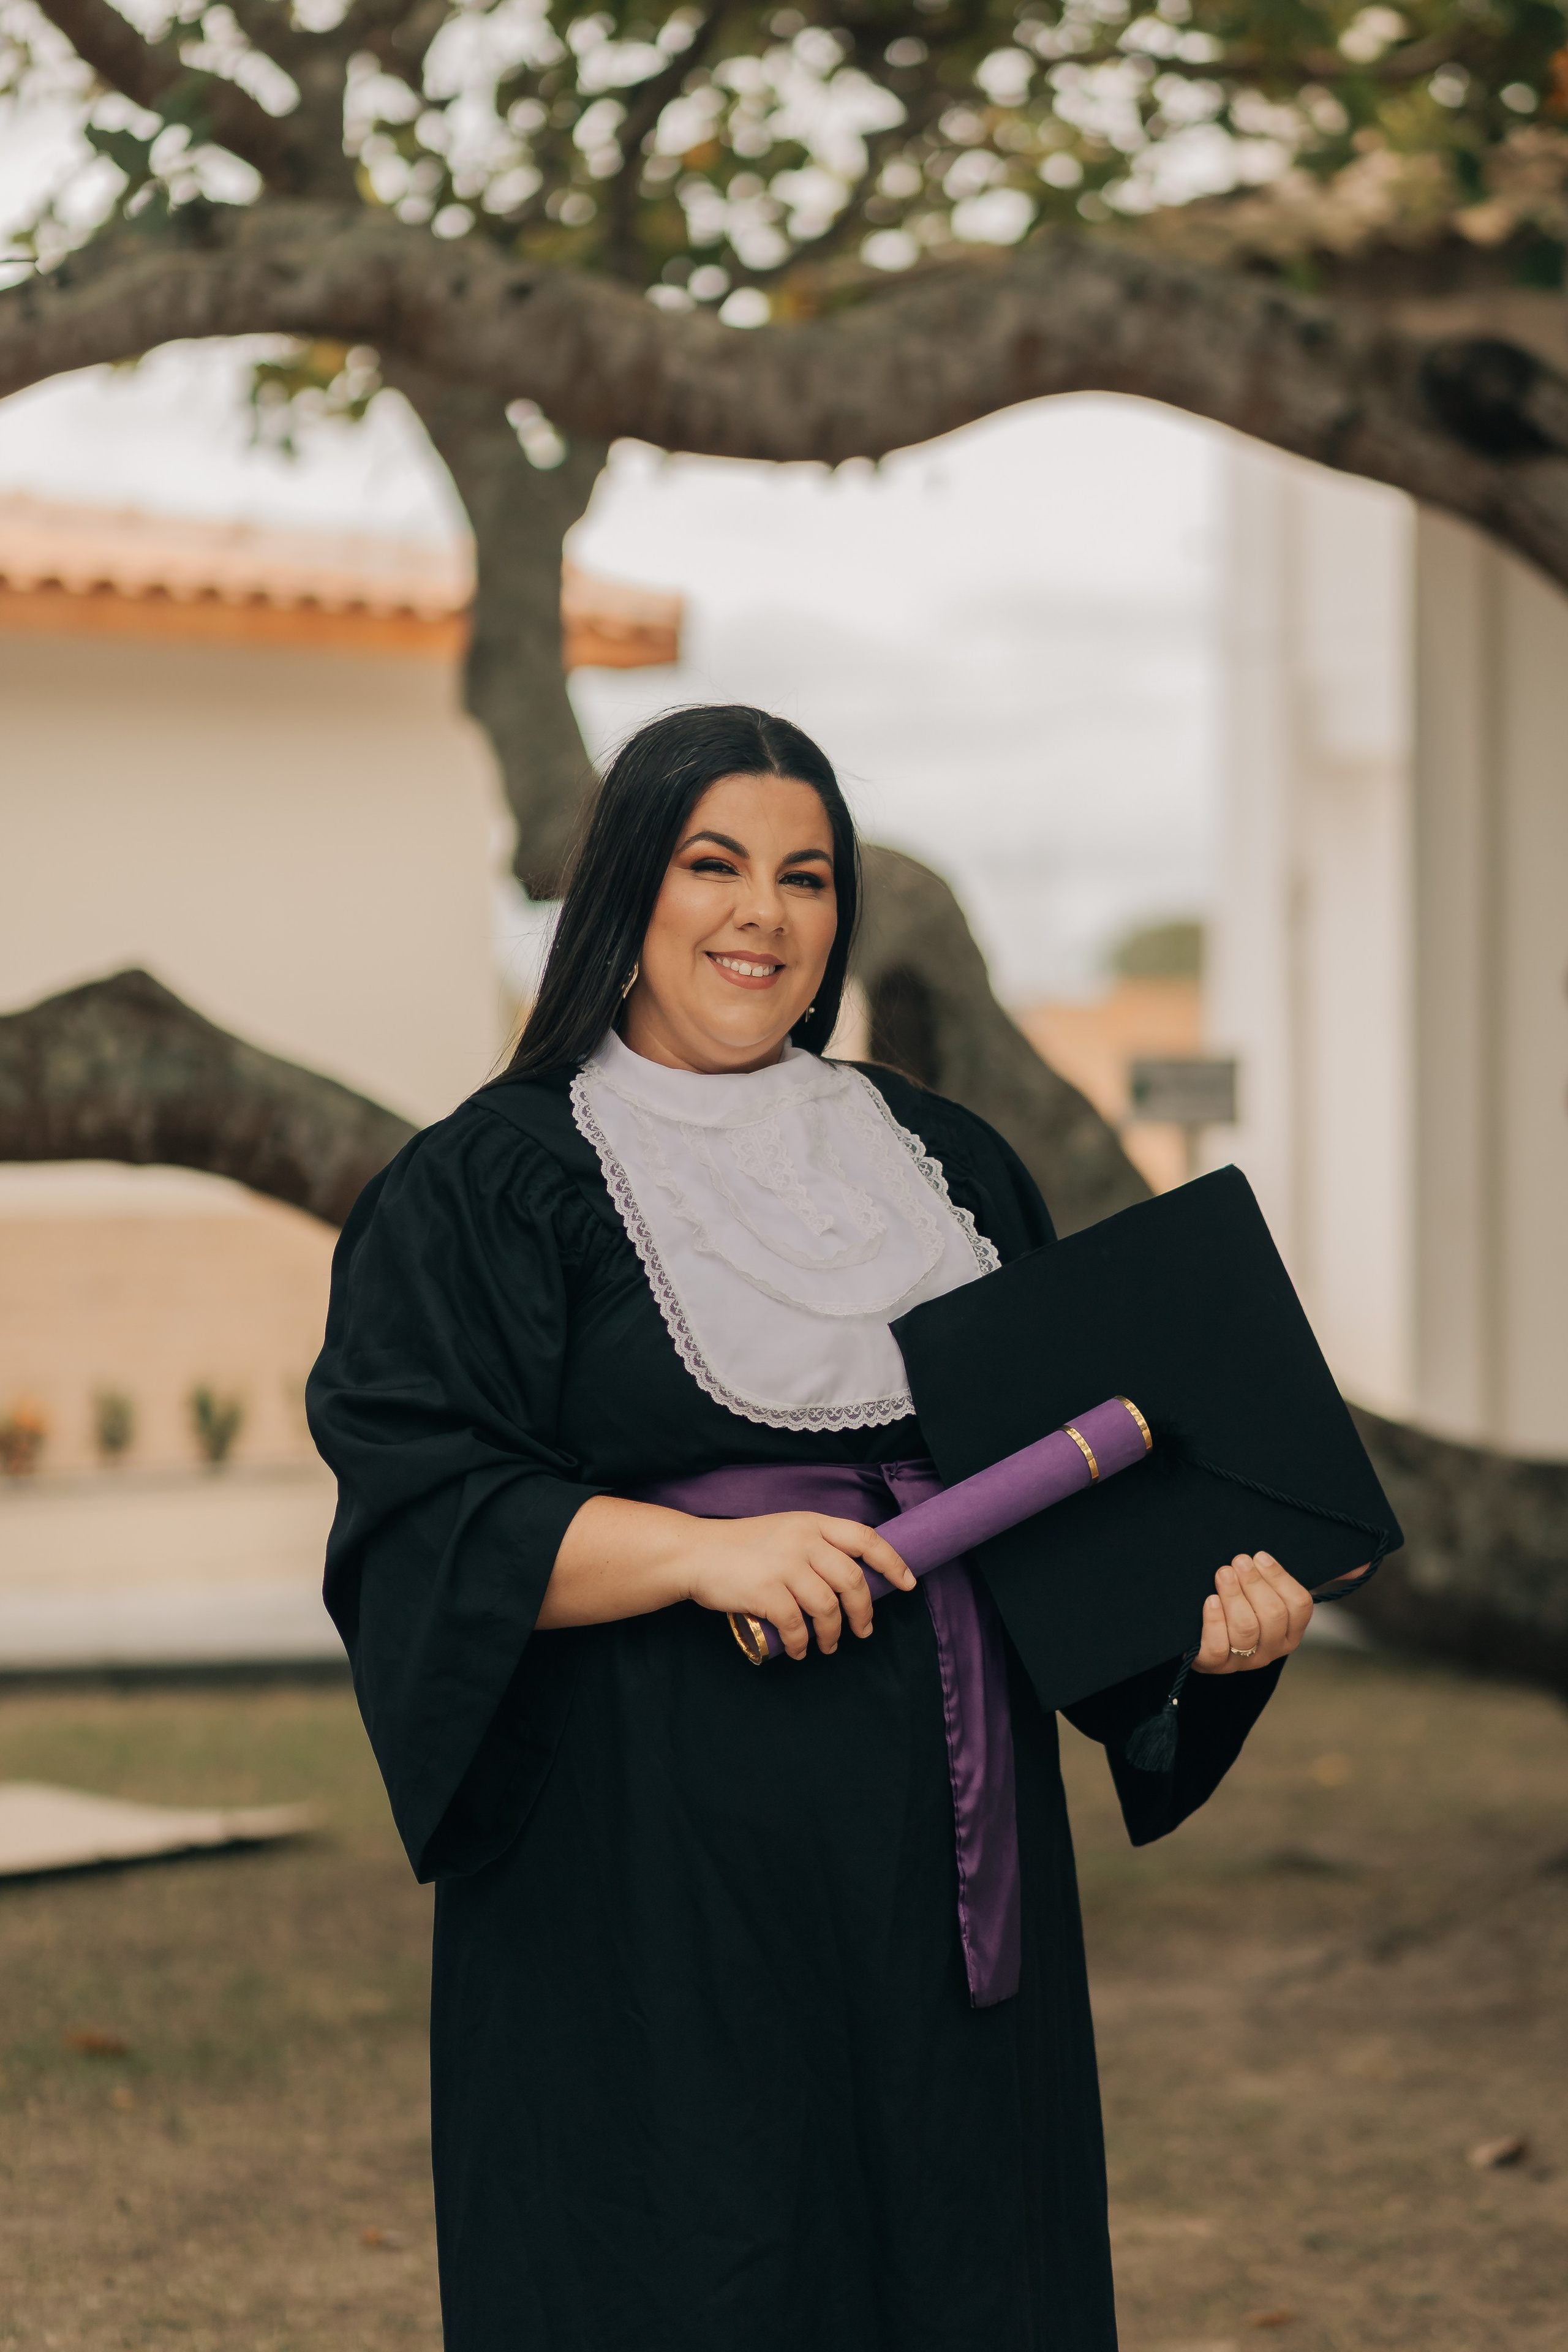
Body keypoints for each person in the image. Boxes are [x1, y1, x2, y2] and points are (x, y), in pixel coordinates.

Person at [307, 705, 1316, 2352]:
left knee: (964, 2239)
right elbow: (421, 1514)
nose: (762, 913)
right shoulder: (491, 1184)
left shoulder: (948, 1164)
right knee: (701, 2253)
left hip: (947, 1852)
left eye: (807, 875)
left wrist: (1199, 1649)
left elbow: (1066, 1499)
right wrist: (702, 1550)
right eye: (714, 865)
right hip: (648, 1868)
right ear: (625, 888)